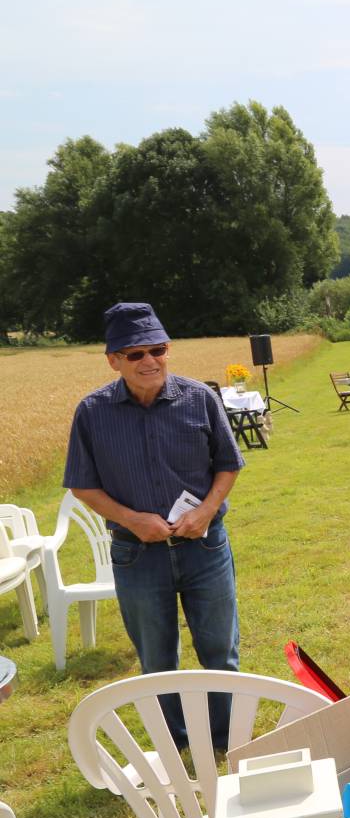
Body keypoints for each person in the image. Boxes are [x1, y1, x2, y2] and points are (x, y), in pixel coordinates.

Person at [64, 302, 243, 751]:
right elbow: (83, 485)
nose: (149, 361)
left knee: (220, 651)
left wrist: (205, 510)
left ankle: (226, 739)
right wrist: (131, 519)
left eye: (157, 349)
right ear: (113, 360)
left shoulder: (200, 397)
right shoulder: (92, 412)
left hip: (204, 548)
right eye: (135, 353)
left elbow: (228, 465)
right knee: (158, 660)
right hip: (136, 553)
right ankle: (178, 742)